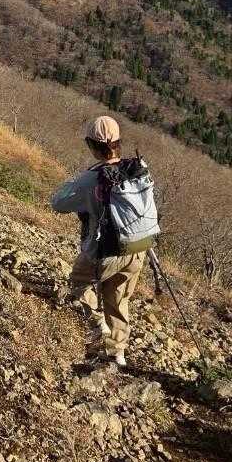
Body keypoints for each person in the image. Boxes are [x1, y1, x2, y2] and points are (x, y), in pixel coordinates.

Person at [49, 115, 147, 367]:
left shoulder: (92, 178)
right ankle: (117, 353)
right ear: (118, 142)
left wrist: (76, 183)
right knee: (118, 298)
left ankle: (98, 327)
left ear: (92, 145)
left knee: (79, 282)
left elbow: (58, 203)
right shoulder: (138, 169)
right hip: (138, 248)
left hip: (106, 250)